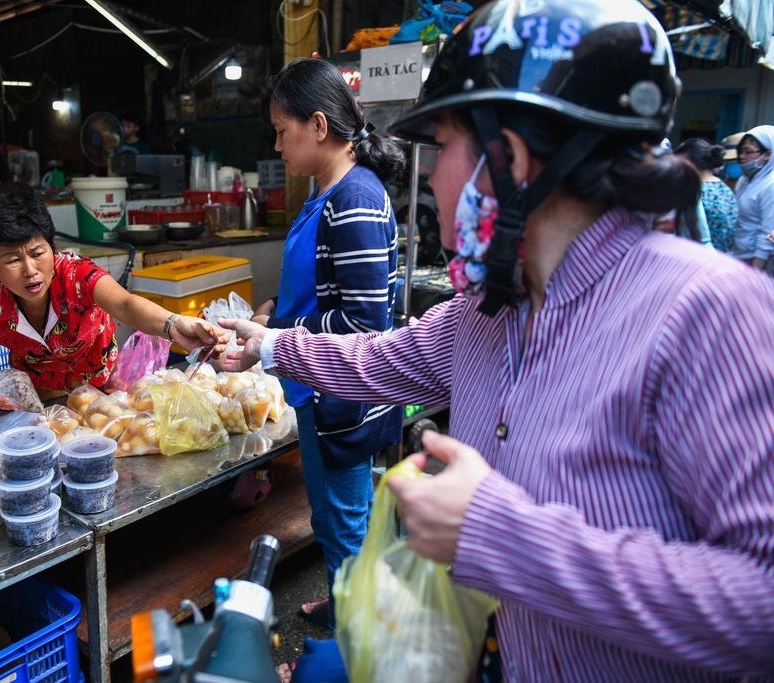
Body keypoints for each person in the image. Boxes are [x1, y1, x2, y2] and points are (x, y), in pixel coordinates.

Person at [220, 0, 774, 679]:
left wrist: (498, 535)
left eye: (447, 145)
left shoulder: (707, 313)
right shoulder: (489, 312)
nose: (432, 176)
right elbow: (376, 356)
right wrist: (267, 344)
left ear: (506, 160)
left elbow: (761, 602)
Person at [255, 58, 404, 631]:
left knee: (343, 524)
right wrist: (271, 313)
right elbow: (316, 289)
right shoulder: (325, 192)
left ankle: (353, 651)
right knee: (337, 515)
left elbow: (363, 325)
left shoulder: (355, 198)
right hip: (317, 385)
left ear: (318, 125)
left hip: (343, 394)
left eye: (282, 129)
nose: (277, 144)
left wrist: (272, 340)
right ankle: (348, 607)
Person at [0, 188, 223, 406]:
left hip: (104, 386)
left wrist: (174, 325)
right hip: (38, 397)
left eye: (38, 253)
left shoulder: (77, 274)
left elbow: (125, 304)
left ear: (52, 248)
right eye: (13, 260)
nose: (30, 271)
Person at [674, 138, 737, 253]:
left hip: (701, 259)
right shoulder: (725, 189)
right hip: (726, 258)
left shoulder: (694, 191)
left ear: (690, 164)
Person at [732, 125, 774, 271]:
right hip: (738, 255)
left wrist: (755, 272)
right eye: (741, 151)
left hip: (757, 261)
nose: (742, 157)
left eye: (748, 152)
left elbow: (767, 233)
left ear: (767, 154)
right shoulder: (745, 180)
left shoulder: (771, 185)